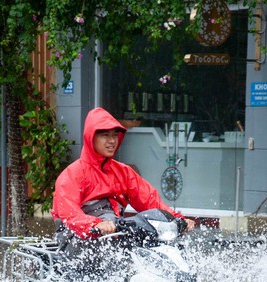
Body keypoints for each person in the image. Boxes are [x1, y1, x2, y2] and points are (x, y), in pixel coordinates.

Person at [52, 107, 195, 269]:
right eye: (105, 135)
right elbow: (69, 214)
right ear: (90, 137)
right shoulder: (72, 174)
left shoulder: (123, 172)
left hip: (113, 232)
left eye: (114, 135)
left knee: (153, 247)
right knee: (115, 260)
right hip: (77, 237)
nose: (112, 141)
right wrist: (95, 225)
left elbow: (149, 200)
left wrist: (176, 219)